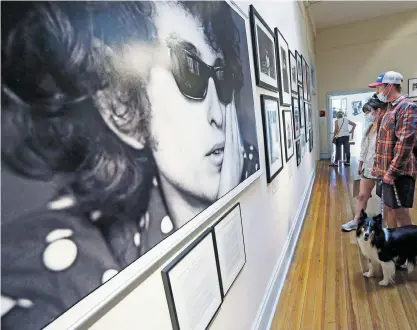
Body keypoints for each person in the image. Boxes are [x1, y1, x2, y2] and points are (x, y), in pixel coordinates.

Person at [1, 2, 260, 329]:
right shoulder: (57, 266)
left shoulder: (253, 172)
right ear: (120, 108)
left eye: (221, 77)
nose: (218, 113)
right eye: (190, 70)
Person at [368, 71, 417, 228]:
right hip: (385, 171)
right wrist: (377, 168)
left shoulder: (408, 108)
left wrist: (391, 172)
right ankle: (393, 245)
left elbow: (404, 145)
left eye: (379, 87)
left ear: (389, 86)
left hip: (399, 172)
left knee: (400, 212)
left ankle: (409, 248)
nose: (377, 91)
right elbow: (382, 143)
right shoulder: (389, 109)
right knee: (389, 208)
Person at [341, 95, 386, 231]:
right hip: (367, 166)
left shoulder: (386, 128)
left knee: (386, 200)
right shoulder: (369, 128)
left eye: (368, 111)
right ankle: (357, 220)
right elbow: (364, 148)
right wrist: (360, 163)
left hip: (382, 168)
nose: (367, 115)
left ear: (378, 111)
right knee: (362, 195)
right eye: (365, 112)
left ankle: (386, 226)